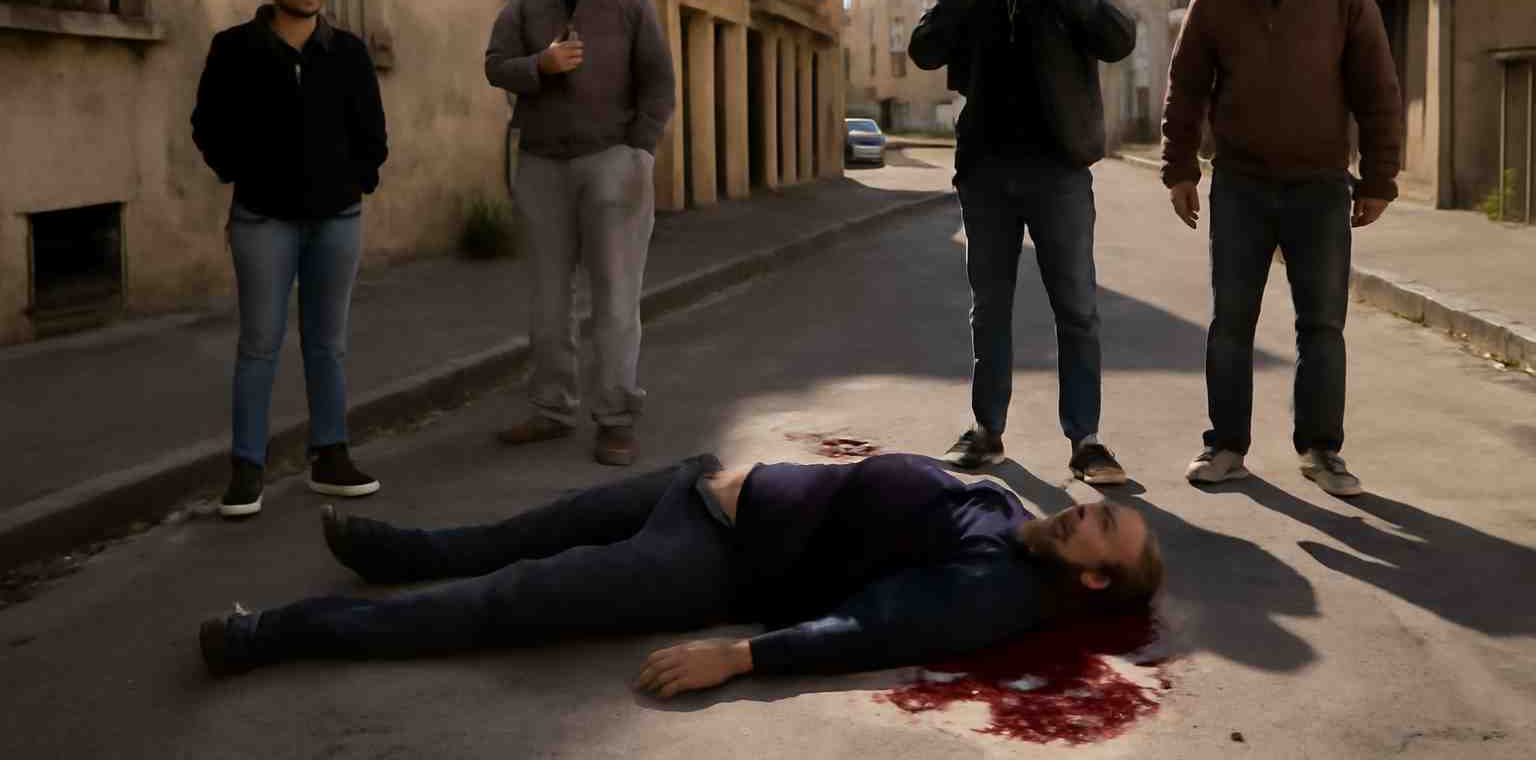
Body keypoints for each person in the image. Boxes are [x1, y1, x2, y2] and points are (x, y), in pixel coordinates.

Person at [198, 452, 1163, 692]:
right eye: (1101, 508)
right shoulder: (1020, 518)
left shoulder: (990, 589)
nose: (1086, 510)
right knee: (515, 534)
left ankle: (271, 634)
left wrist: (739, 658)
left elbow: (876, 627)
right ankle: (395, 554)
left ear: (1090, 581)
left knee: (510, 600)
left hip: (711, 560)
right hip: (704, 485)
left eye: (1100, 530)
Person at [1160, 0, 1402, 497]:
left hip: (1320, 185)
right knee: (1230, 322)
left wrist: (1379, 177)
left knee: (1321, 325)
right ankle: (1226, 446)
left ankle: (1322, 451)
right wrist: (1180, 168)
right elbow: (1185, 88)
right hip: (1240, 184)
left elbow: (1377, 90)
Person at [908, 0, 1137, 483]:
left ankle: (1086, 440)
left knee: (1077, 308)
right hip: (985, 174)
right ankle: (988, 431)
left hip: (1058, 171)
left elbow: (1119, 40)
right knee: (991, 308)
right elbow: (924, 49)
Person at [190, 0, 388, 519]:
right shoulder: (234, 49)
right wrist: (243, 175)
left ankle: (330, 456)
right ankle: (246, 470)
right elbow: (208, 127)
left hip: (337, 221)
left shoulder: (348, 52)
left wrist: (356, 181)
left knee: (327, 344)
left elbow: (373, 135)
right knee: (259, 344)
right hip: (263, 222)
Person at [484, 0, 676, 467]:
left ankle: (615, 419)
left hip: (611, 162)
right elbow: (495, 67)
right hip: (541, 163)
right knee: (547, 301)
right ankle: (551, 407)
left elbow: (659, 84)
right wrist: (538, 66)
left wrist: (638, 151)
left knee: (616, 300)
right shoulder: (524, 4)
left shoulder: (630, 3)